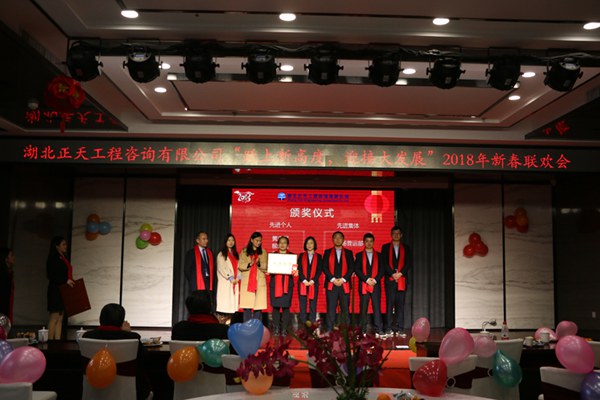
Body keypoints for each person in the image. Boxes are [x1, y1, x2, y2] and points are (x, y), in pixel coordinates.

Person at [83, 303, 151, 400]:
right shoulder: (132, 338)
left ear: (100, 319)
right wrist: (128, 333)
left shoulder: (87, 337)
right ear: (121, 321)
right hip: (128, 394)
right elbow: (143, 359)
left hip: (95, 392)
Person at [381, 226, 412, 336]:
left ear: (401, 235)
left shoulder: (406, 248)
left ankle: (400, 328)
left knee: (400, 305)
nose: (396, 235)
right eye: (394, 233)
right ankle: (388, 328)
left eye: (398, 233)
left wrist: (400, 273)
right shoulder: (385, 247)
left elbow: (408, 263)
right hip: (390, 280)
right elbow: (384, 263)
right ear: (391, 235)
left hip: (401, 280)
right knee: (389, 305)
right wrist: (392, 274)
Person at [322, 231, 354, 331]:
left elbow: (352, 268)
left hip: (344, 284)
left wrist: (343, 279)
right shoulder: (327, 252)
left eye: (340, 237)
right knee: (331, 309)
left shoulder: (348, 253)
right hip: (331, 284)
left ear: (343, 240)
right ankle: (329, 330)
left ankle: (346, 331)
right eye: (336, 237)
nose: (338, 239)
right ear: (332, 240)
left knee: (345, 309)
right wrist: (333, 279)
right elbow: (324, 267)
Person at [355, 233, 385, 335]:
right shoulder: (359, 255)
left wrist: (375, 280)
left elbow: (382, 270)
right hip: (364, 284)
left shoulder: (379, 255)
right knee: (363, 308)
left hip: (376, 285)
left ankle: (379, 329)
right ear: (364, 242)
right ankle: (361, 330)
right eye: (367, 241)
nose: (369, 243)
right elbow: (357, 270)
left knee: (377, 307)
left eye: (371, 241)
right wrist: (367, 280)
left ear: (373, 242)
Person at [46, 236, 75, 340]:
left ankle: (57, 341)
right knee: (54, 318)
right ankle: (50, 342)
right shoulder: (53, 258)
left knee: (60, 319)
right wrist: (65, 280)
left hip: (63, 290)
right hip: (55, 291)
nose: (66, 246)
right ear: (57, 246)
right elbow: (52, 275)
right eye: (63, 244)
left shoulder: (63, 258)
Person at [238, 232, 268, 322]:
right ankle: (246, 326)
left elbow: (266, 266)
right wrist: (249, 264)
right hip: (248, 280)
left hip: (259, 280)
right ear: (251, 240)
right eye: (257, 240)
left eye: (260, 241)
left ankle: (256, 326)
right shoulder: (244, 251)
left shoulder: (263, 252)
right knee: (247, 306)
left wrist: (259, 263)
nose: (259, 242)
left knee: (258, 306)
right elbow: (240, 265)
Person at [269, 236, 295, 336]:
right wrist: (269, 270)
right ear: (277, 244)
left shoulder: (292, 256)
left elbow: (294, 270)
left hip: (287, 285)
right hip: (275, 284)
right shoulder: (273, 256)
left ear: (287, 245)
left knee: (286, 308)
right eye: (280, 242)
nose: (282, 244)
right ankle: (276, 328)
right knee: (275, 307)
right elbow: (269, 269)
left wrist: (295, 272)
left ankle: (284, 329)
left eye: (284, 243)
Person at [184, 231, 216, 303]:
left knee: (207, 303)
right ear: (197, 240)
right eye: (203, 239)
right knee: (197, 303)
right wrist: (193, 280)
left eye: (207, 239)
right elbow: (187, 270)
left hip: (208, 281)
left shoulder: (210, 252)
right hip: (196, 283)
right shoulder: (191, 252)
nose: (206, 241)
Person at [297, 236, 322, 326]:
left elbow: (319, 270)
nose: (309, 245)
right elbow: (299, 269)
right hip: (302, 283)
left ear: (314, 245)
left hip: (313, 283)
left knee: (313, 305)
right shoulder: (301, 256)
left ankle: (312, 325)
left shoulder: (319, 256)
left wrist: (312, 281)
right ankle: (303, 325)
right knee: (302, 305)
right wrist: (304, 280)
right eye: (307, 243)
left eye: (311, 243)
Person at [216, 233, 241, 318]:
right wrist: (231, 278)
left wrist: (238, 278)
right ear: (225, 242)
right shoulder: (221, 254)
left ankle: (230, 322)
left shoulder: (236, 254)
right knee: (225, 306)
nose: (231, 242)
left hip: (235, 281)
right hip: (227, 282)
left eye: (232, 240)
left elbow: (239, 267)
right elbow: (222, 268)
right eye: (229, 240)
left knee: (232, 308)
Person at [0, 248, 15, 322]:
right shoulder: (3, 274)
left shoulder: (8, 273)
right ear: (6, 259)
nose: (14, 257)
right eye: (11, 255)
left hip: (6, 306)